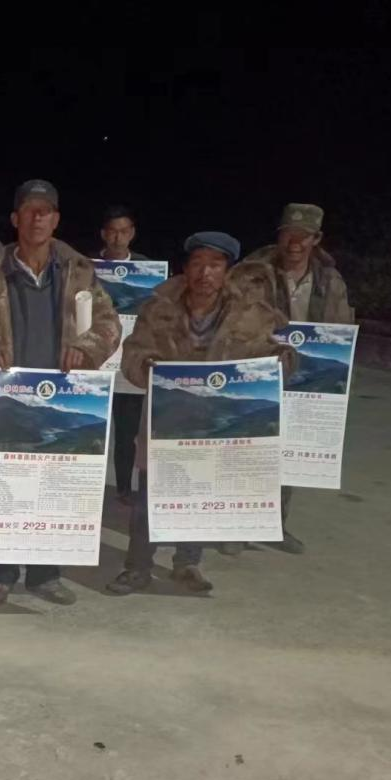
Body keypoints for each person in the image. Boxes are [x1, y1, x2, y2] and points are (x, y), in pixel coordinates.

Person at [0, 179, 121, 606]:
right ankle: (1, 572)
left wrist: (86, 348)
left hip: (63, 397)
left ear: (56, 219)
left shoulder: (80, 271)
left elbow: (109, 325)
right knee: (4, 488)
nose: (38, 217)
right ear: (16, 219)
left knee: (53, 489)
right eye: (30, 210)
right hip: (5, 397)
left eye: (46, 211)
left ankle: (46, 574)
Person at [107, 232, 292, 596]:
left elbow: (269, 352)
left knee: (201, 492)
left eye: (215, 265)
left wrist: (282, 361)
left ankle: (187, 563)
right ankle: (138, 567)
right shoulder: (158, 307)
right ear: (186, 267)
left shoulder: (250, 313)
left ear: (227, 271)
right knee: (149, 497)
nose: (205, 273)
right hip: (165, 420)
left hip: (217, 424)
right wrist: (147, 366)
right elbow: (133, 353)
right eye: (198, 263)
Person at [245, 203, 356, 554]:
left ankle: (275, 525)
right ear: (279, 235)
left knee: (290, 451)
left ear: (316, 239)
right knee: (249, 447)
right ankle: (237, 525)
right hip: (257, 368)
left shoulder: (329, 281)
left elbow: (338, 329)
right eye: (288, 234)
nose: (295, 242)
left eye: (303, 236)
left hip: (304, 377)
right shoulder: (253, 272)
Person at [97, 205, 151, 504]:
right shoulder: (86, 268)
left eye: (124, 231)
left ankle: (123, 489)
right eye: (113, 231)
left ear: (132, 234)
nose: (118, 238)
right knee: (93, 426)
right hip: (96, 361)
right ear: (104, 234)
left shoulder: (147, 270)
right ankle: (86, 485)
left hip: (130, 364)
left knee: (128, 431)